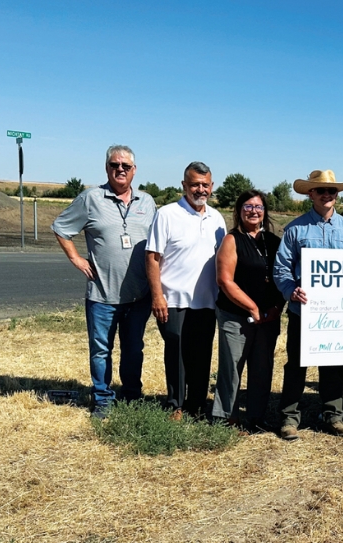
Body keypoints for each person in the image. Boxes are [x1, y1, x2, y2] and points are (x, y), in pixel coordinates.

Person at [51, 145, 156, 418]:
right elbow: (61, 228)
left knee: (134, 349)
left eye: (126, 166)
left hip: (139, 295)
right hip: (101, 295)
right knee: (101, 351)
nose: (120, 169)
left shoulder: (147, 202)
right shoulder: (91, 198)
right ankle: (103, 400)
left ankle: (132, 395)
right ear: (106, 167)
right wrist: (76, 259)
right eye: (114, 164)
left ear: (134, 170)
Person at [274, 170, 343, 441]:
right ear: (310, 194)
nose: (327, 195)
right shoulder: (295, 228)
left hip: (337, 314)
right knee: (296, 365)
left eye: (332, 191)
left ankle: (333, 415)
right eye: (321, 190)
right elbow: (281, 269)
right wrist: (291, 291)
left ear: (337, 195)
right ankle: (289, 418)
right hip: (304, 312)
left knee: (335, 364)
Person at [145, 162, 227, 418]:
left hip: (207, 301)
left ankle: (197, 404)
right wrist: (157, 295)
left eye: (205, 185)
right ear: (184, 185)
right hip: (173, 300)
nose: (200, 189)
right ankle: (176, 405)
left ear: (211, 187)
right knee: (177, 354)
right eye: (194, 184)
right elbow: (152, 257)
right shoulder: (167, 214)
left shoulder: (217, 218)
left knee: (202, 355)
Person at [211, 190, 285, 432]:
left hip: (268, 318)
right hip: (236, 315)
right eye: (248, 206)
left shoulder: (274, 242)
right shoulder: (232, 240)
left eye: (259, 207)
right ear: (239, 210)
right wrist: (252, 307)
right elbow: (225, 281)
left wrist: (276, 308)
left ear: (265, 212)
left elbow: (283, 279)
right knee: (232, 368)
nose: (254, 211)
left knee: (262, 368)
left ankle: (256, 417)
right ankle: (226, 418)